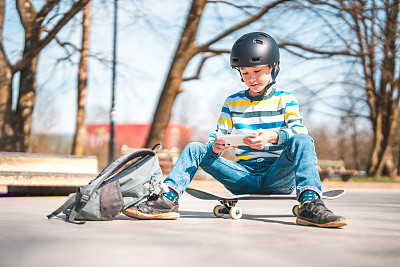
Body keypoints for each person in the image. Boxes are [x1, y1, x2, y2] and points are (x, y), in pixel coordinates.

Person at [122, 32, 347, 228]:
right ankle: (167, 200)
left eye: (257, 71)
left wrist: (273, 136)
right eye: (245, 72)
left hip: (277, 175)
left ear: (273, 67)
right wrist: (217, 146)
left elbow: (298, 132)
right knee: (195, 148)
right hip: (243, 176)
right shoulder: (232, 102)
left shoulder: (286, 99)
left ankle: (309, 204)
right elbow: (217, 134)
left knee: (304, 141)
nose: (251, 79)